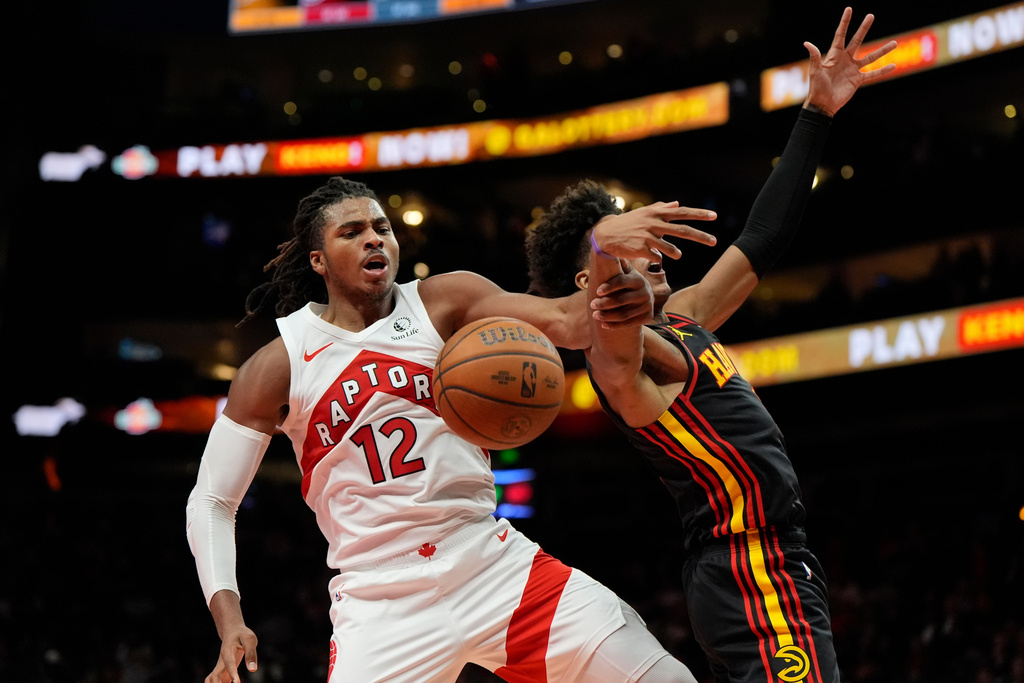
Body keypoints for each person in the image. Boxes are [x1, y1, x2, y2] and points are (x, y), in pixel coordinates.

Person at [185, 173, 720, 682]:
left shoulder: (445, 301)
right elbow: (212, 501)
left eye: (382, 229)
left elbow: (566, 321)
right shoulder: (279, 363)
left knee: (665, 676)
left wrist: (606, 263)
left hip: (489, 560)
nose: (374, 240)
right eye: (352, 232)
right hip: (380, 596)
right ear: (318, 260)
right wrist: (229, 617)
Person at [525, 9, 897, 683]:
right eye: (632, 245)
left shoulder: (689, 316)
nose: (651, 250)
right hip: (750, 564)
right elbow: (610, 323)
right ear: (592, 277)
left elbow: (763, 239)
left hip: (761, 563)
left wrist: (815, 113)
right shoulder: (623, 360)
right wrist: (611, 245)